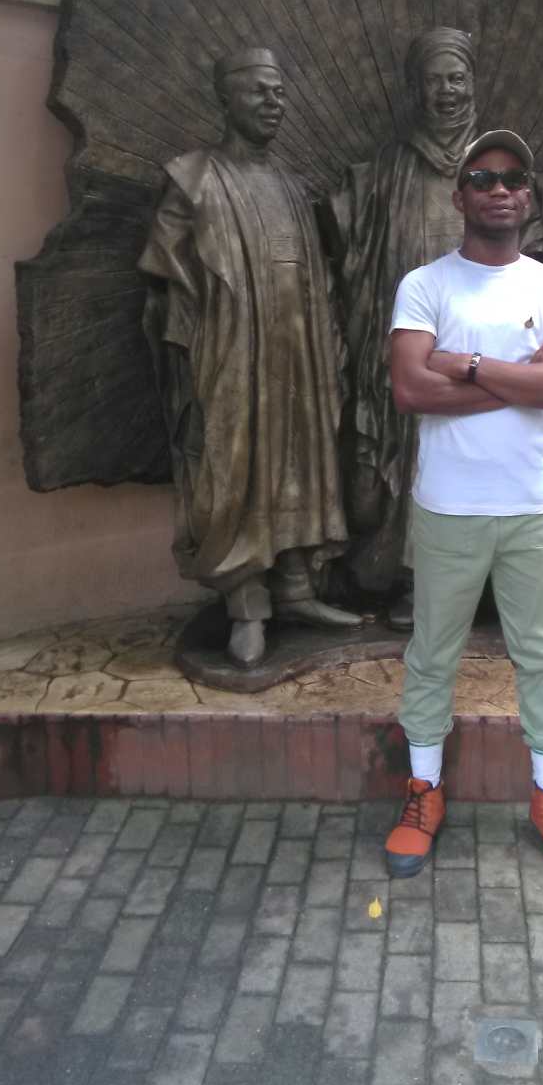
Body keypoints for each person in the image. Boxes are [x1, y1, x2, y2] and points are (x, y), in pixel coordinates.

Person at [382, 130, 543, 883]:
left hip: (533, 503)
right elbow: (410, 389)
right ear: (460, 196)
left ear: (528, 196)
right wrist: (522, 375)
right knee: (432, 654)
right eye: (482, 178)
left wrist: (469, 365)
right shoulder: (425, 286)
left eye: (513, 178)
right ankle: (423, 790)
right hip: (448, 505)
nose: (499, 190)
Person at [138, 48, 359, 669]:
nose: (273, 102)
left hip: (299, 352)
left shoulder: (291, 186)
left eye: (280, 92)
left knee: (300, 462)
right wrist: (197, 340)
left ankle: (296, 588)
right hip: (231, 351)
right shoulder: (193, 179)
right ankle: (246, 603)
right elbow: (166, 274)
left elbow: (315, 271)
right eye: (260, 91)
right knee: (234, 468)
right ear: (226, 98)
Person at [321, 27, 477, 617]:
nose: (446, 92)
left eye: (456, 78)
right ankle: (416, 578)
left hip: (480, 346)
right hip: (410, 343)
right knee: (411, 460)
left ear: (473, 83)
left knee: (473, 455)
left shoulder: (495, 165)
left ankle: (478, 580)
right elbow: (356, 245)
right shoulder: (389, 168)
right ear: (416, 89)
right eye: (434, 81)